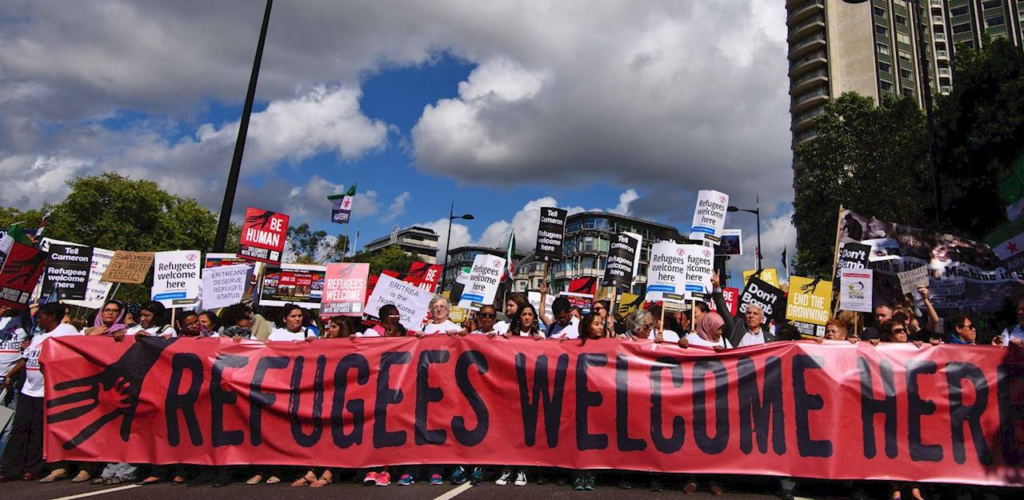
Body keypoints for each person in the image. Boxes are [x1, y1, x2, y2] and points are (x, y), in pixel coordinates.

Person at [0, 303, 83, 483]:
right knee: (19, 428)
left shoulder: (66, 330)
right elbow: (26, 359)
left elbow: (80, 349)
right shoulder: (38, 336)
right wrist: (10, 375)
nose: (39, 320)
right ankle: (9, 469)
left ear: (52, 317)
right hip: (28, 390)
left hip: (46, 392)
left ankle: (32, 468)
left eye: (42, 316)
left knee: (38, 430)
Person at [712, 271, 777, 348]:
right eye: (748, 313)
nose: (751, 316)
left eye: (755, 314)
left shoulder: (770, 339)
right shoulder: (736, 328)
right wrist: (717, 288)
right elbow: (723, 312)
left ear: (762, 319)